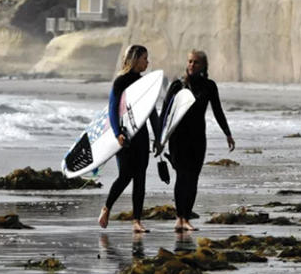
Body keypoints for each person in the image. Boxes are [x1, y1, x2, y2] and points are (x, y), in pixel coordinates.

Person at [162, 49, 235, 232]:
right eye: (189, 61)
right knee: (181, 177)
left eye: (195, 62)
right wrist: (160, 138)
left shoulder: (209, 86)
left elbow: (217, 110)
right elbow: (165, 112)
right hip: (178, 138)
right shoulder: (178, 85)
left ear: (203, 65)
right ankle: (179, 218)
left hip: (197, 138)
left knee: (193, 178)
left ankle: (186, 217)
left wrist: (227, 133)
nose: (191, 65)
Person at [97, 44, 161, 233]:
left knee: (140, 178)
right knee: (125, 176)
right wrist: (118, 134)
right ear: (135, 59)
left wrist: (158, 138)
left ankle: (137, 221)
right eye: (144, 59)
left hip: (141, 136)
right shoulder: (120, 82)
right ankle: (107, 207)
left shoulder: (145, 84)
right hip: (125, 136)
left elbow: (152, 113)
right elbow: (112, 109)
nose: (147, 62)